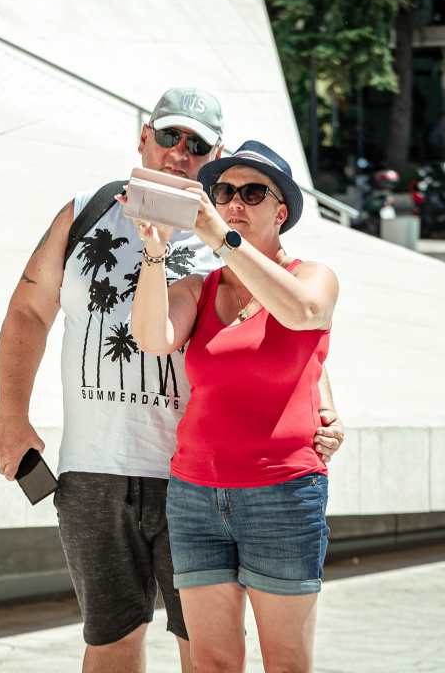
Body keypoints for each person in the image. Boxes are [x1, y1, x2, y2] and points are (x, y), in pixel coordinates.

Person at [0, 89, 345, 673]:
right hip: (96, 469)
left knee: (202, 651)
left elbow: (297, 334)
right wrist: (10, 414)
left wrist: (324, 411)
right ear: (144, 138)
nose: (181, 153)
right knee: (110, 643)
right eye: (170, 136)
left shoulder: (229, 235)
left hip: (191, 480)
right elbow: (29, 311)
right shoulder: (88, 209)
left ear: (216, 154)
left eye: (199, 145)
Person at [127, 140, 338, 673]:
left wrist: (223, 239)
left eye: (251, 192)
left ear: (281, 210)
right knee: (213, 662)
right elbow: (152, 337)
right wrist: (154, 251)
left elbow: (303, 312)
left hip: (283, 495)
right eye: (223, 191)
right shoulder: (201, 287)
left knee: (286, 662)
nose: (234, 201)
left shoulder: (313, 277)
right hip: (196, 495)